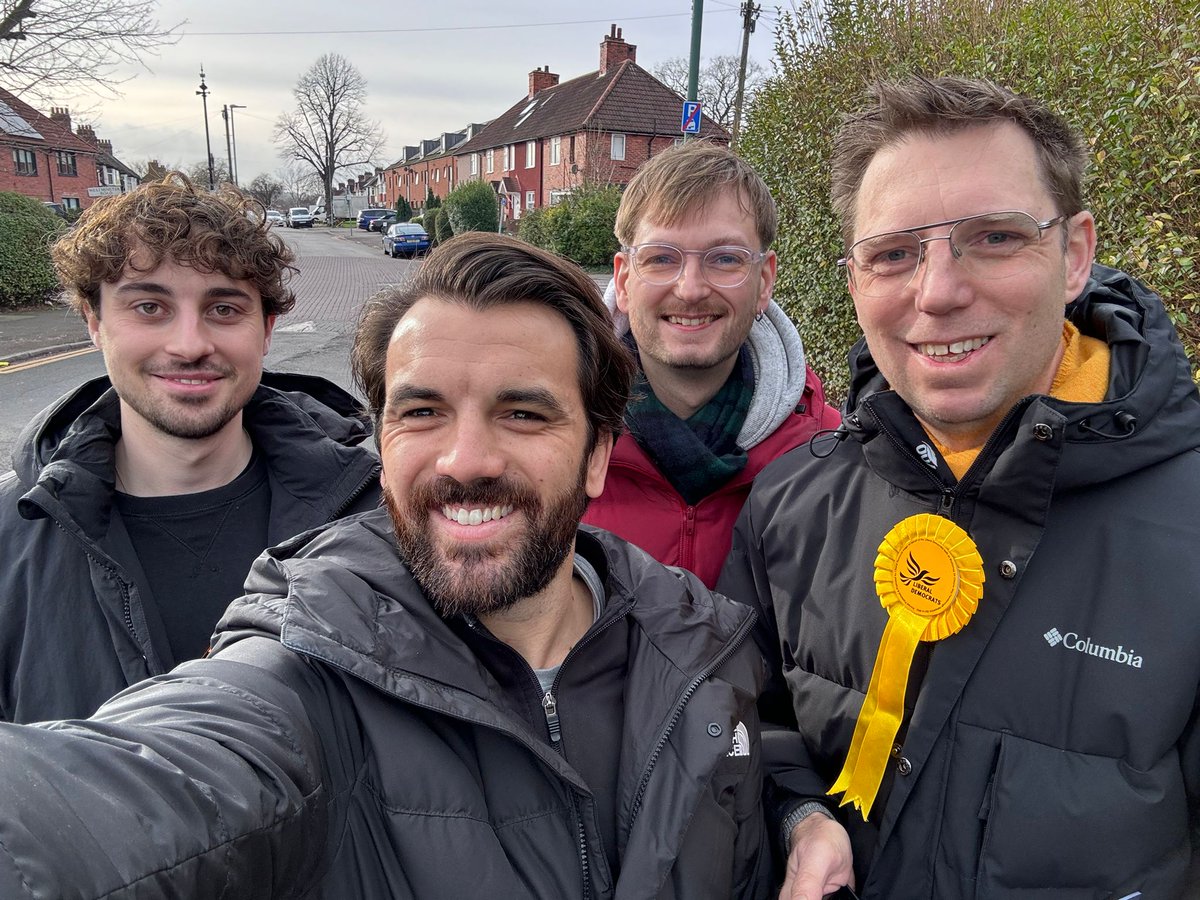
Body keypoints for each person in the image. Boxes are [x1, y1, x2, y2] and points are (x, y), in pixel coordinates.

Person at [0, 233, 770, 899]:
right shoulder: (306, 669)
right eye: (422, 412)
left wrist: (799, 814)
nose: (466, 460)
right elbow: (136, 787)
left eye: (523, 413)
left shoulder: (700, 647)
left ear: (598, 455)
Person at [718, 75, 1200, 898]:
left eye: (995, 238)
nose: (938, 292)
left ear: (1076, 253)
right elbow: (742, 730)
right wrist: (797, 814)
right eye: (894, 254)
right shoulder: (791, 502)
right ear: (854, 281)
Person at [0, 175, 381, 723]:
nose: (189, 344)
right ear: (94, 323)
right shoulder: (13, 539)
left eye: (224, 309)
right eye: (149, 307)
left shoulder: (372, 517)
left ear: (267, 329)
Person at [583, 141, 840, 588]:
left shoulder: (827, 457)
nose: (691, 289)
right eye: (662, 258)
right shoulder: (557, 447)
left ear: (764, 281)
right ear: (623, 280)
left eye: (725, 259)